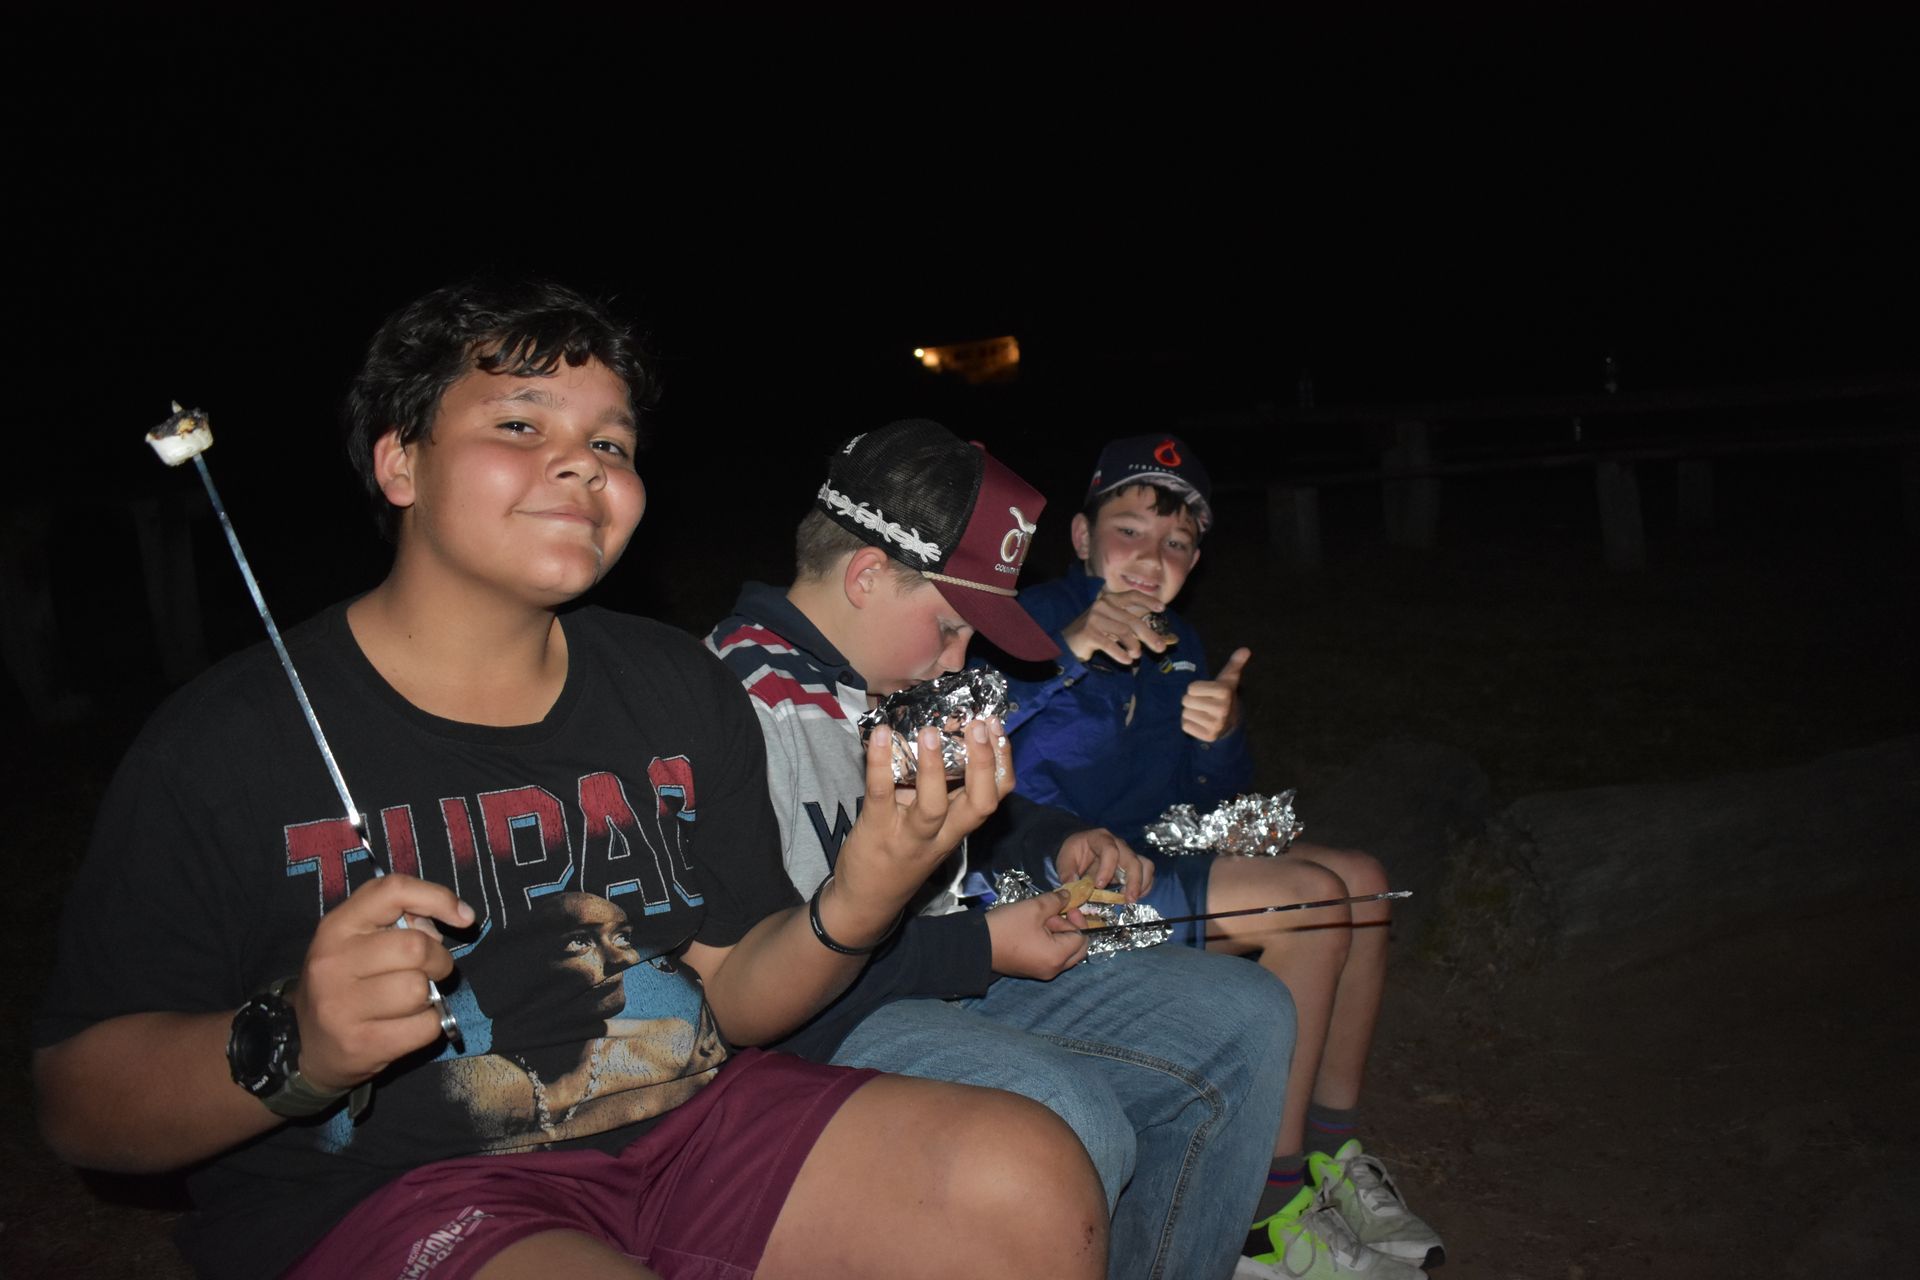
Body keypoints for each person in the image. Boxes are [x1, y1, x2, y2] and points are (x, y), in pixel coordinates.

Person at [30, 279, 1108, 1280]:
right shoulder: (227, 740)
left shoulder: (672, 683)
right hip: (394, 1188)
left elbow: (736, 990)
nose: (585, 462)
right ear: (398, 461)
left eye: (611, 440)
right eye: (520, 423)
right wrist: (295, 1046)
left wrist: (863, 894)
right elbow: (80, 1102)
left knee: (1030, 1178)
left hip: (689, 1126)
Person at [706, 419, 1295, 1280]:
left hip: (939, 967)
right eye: (949, 628)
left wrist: (1057, 842)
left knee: (1251, 1014)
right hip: (825, 1028)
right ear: (868, 576)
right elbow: (778, 982)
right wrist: (986, 944)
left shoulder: (893, 680)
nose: (959, 662)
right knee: (1067, 1117)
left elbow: (979, 828)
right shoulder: (739, 703)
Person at [1005, 434, 1444, 1278]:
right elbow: (959, 750)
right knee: (1308, 902)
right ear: (1082, 536)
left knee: (1364, 882)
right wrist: (1064, 655)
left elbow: (1202, 808)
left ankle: (1330, 1157)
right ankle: (1263, 1212)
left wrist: (1222, 739)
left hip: (1146, 858)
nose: (1150, 558)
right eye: (1130, 530)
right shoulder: (1023, 626)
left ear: (1195, 560)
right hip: (1041, 884)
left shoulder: (1181, 646)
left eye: (1175, 543)